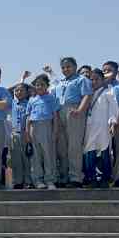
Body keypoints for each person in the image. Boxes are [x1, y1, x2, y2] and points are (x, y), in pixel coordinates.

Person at [53, 57, 92, 188]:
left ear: (75, 67)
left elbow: (87, 95)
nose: (65, 69)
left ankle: (76, 177)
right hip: (59, 112)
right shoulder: (59, 82)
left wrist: (80, 110)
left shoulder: (82, 80)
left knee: (74, 146)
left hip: (74, 110)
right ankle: (64, 176)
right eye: (63, 67)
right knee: (62, 147)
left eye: (68, 66)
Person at [84, 69, 118, 188]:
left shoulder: (108, 91)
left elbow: (113, 108)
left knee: (104, 152)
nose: (94, 82)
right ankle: (91, 178)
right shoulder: (87, 94)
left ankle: (105, 178)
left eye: (97, 79)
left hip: (103, 127)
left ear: (102, 80)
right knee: (90, 152)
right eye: (91, 79)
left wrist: (112, 122)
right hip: (90, 127)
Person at [26, 74, 61, 190]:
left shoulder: (51, 98)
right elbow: (28, 117)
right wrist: (27, 132)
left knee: (48, 154)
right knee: (36, 156)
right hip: (34, 127)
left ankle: (50, 180)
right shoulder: (32, 100)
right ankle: (38, 180)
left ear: (47, 86)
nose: (39, 87)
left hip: (47, 126)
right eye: (37, 85)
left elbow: (55, 116)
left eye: (42, 85)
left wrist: (55, 131)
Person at [10, 82, 31, 189]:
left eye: (21, 90)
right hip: (14, 134)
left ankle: (28, 180)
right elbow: (7, 91)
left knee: (27, 159)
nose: (19, 92)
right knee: (16, 159)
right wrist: (20, 80)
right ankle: (17, 181)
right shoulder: (12, 103)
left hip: (26, 134)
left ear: (27, 92)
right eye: (16, 90)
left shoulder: (29, 103)